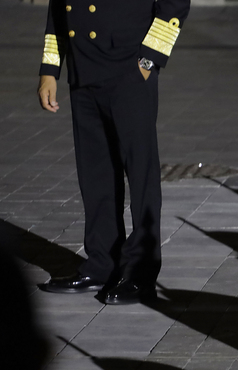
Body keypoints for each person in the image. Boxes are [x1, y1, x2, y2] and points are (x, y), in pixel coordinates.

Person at [37, 0, 190, 304]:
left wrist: (150, 59)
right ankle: (102, 264)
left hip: (129, 70)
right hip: (83, 71)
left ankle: (140, 273)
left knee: (140, 173)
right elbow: (58, 7)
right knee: (95, 175)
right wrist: (49, 69)